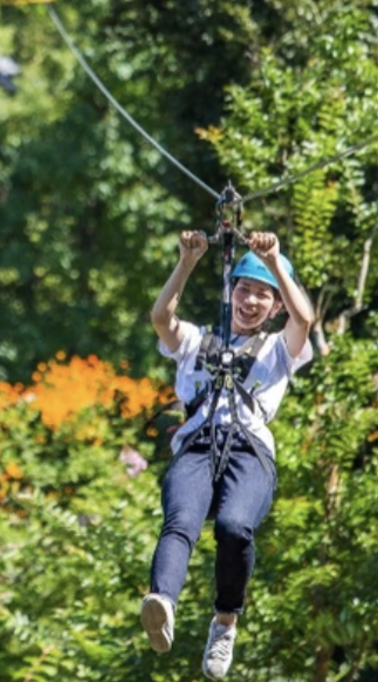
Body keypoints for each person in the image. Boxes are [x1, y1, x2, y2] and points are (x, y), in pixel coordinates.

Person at [141, 228, 316, 678]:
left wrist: (275, 261)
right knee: (180, 522)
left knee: (234, 527)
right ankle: (162, 602)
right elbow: (162, 317)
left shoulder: (279, 349)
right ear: (230, 292)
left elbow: (305, 319)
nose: (251, 301)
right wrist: (187, 260)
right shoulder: (198, 341)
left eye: (263, 295)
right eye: (244, 289)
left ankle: (225, 621)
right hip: (198, 446)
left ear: (274, 306)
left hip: (249, 452)